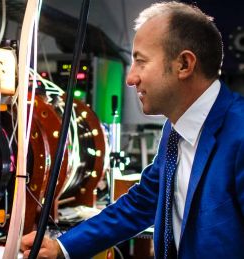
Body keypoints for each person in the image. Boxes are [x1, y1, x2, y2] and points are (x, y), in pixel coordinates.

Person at [21, 1, 244, 258]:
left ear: (184, 64)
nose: (130, 78)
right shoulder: (176, 131)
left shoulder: (239, 134)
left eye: (140, 62)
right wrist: (63, 246)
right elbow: (141, 204)